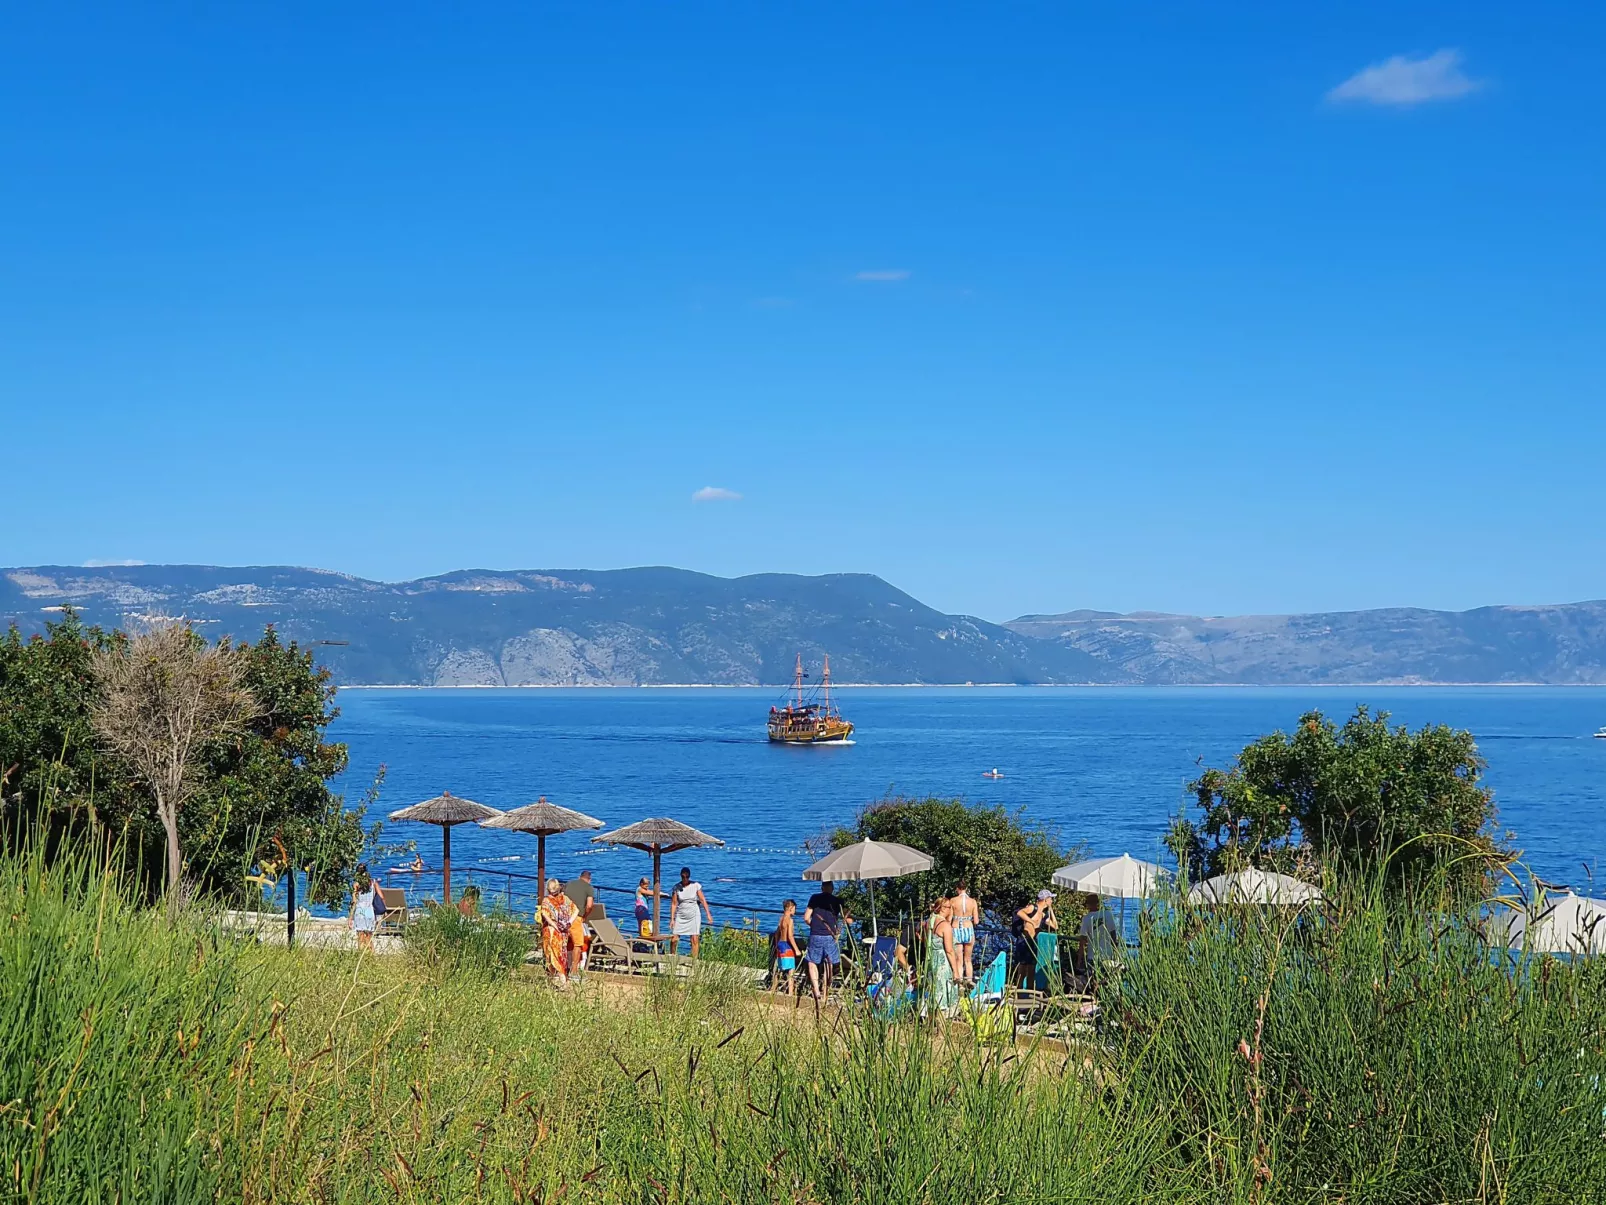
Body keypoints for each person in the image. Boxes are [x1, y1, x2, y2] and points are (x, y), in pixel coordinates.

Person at [802, 880, 850, 1007]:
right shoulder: (838, 900)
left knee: (812, 962)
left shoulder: (814, 898)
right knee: (829, 962)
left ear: (822, 887)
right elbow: (848, 918)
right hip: (829, 936)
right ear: (832, 888)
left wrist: (814, 925)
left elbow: (806, 917)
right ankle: (825, 992)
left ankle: (816, 991)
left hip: (815, 934)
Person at [539, 877, 578, 987]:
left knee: (552, 955)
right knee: (562, 954)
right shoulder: (565, 899)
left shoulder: (547, 900)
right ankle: (561, 978)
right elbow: (576, 910)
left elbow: (545, 914)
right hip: (564, 931)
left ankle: (558, 979)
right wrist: (569, 922)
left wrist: (553, 924)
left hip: (551, 932)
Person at [924, 897, 959, 1015]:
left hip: (930, 961)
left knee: (933, 995)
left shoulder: (929, 922)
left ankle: (929, 1027)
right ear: (945, 909)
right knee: (942, 996)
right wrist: (955, 971)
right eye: (950, 908)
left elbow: (925, 942)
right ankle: (941, 1030)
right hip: (942, 963)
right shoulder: (945, 926)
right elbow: (949, 950)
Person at [670, 866, 713, 958]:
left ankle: (694, 961)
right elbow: (674, 904)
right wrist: (672, 919)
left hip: (694, 914)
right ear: (680, 876)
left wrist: (708, 914)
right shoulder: (676, 887)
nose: (685, 879)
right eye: (683, 877)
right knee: (674, 939)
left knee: (694, 939)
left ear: (689, 876)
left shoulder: (695, 885)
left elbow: (702, 900)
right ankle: (672, 957)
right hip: (681, 914)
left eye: (687, 877)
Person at [1078, 892, 1121, 982]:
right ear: (1098, 903)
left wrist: (1079, 960)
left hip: (1093, 957)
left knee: (1094, 983)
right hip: (1107, 956)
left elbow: (1083, 940)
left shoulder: (1086, 919)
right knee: (1107, 982)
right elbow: (1113, 935)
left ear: (1088, 905)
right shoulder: (1108, 914)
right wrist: (1115, 952)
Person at [949, 880, 980, 984]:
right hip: (968, 928)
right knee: (968, 959)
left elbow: (949, 919)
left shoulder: (953, 901)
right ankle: (970, 981)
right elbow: (976, 921)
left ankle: (960, 982)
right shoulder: (973, 901)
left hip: (956, 928)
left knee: (959, 959)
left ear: (957, 888)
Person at [771, 899, 799, 1002]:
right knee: (791, 970)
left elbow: (776, 933)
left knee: (779, 968)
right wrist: (796, 950)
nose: (795, 911)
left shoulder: (781, 919)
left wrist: (776, 943)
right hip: (787, 946)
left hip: (780, 944)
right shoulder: (790, 920)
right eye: (794, 909)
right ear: (791, 908)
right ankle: (790, 993)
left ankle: (773, 989)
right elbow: (790, 936)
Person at [350, 866, 379, 952]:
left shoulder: (356, 884)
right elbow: (381, 897)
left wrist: (350, 917)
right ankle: (372, 956)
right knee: (369, 937)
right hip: (370, 911)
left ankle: (361, 956)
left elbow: (354, 901)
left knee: (360, 937)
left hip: (360, 912)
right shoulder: (373, 883)